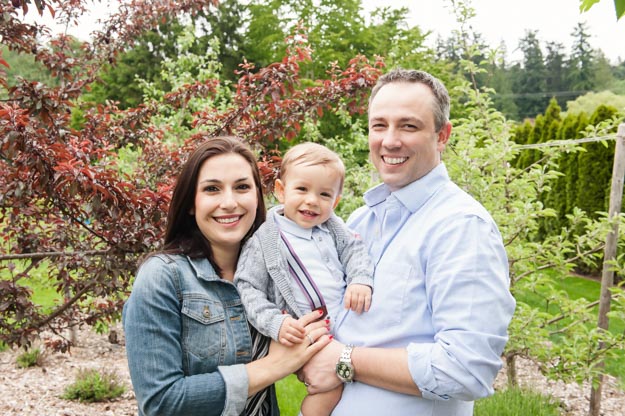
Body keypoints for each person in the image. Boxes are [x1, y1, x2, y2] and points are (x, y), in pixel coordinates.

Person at [299, 69, 516, 415]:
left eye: (409, 126)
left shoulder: (460, 227)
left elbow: (465, 368)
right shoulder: (360, 221)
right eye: (379, 125)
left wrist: (344, 360)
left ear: (442, 135)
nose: (390, 140)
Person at [123, 136, 331, 416]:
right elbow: (161, 402)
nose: (230, 202)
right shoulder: (163, 278)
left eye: (242, 187)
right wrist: (272, 367)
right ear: (190, 203)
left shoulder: (276, 272)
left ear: (258, 196)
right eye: (212, 189)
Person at [234, 142, 374, 416]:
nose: (312, 200)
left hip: (348, 321)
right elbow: (248, 288)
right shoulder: (266, 240)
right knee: (326, 388)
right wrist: (277, 323)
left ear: (335, 201)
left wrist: (360, 279)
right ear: (281, 191)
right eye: (302, 189)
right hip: (307, 333)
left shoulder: (333, 227)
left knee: (359, 382)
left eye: (324, 194)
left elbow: (355, 250)